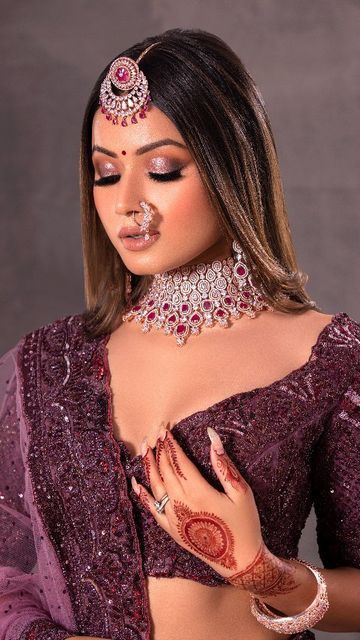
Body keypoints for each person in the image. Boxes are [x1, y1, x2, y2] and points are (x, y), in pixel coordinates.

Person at [0, 27, 359, 640]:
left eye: (162, 169)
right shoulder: (41, 364)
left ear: (230, 167)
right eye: (106, 173)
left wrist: (265, 573)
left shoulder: (329, 358)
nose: (127, 204)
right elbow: (9, 575)